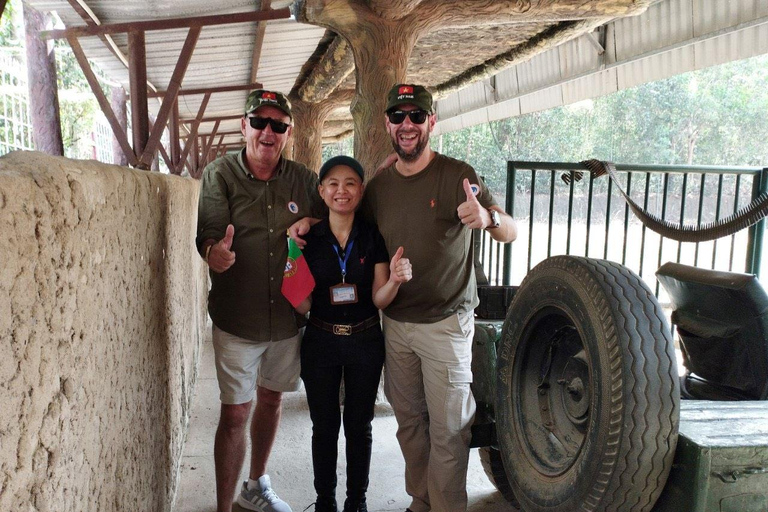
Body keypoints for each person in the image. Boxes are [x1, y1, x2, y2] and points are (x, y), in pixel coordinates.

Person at [361, 84, 518, 512]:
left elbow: (511, 229)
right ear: (388, 124)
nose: (407, 124)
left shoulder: (456, 175)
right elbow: (346, 215)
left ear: (432, 122)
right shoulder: (378, 188)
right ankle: (420, 500)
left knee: (450, 429)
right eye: (398, 116)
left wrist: (487, 218)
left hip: (447, 325)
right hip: (396, 325)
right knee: (410, 424)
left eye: (416, 116)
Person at [196, 89, 324, 512]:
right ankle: (222, 506)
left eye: (278, 125)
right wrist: (215, 252)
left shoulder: (304, 179)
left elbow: (339, 211)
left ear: (288, 133)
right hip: (238, 319)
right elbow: (210, 232)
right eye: (260, 122)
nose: (268, 132)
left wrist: (313, 221)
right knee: (235, 413)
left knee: (271, 399)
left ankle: (255, 487)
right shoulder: (220, 174)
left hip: (288, 319)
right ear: (244, 126)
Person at [297, 156, 412, 512]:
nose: (341, 190)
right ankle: (325, 501)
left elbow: (379, 298)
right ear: (321, 191)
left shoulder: (372, 236)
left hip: (364, 340)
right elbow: (302, 305)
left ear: (361, 190)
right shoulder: (306, 239)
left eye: (350, 183)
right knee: (324, 426)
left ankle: (356, 502)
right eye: (332, 183)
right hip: (321, 340)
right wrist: (289, 270)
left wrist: (394, 280)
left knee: (359, 426)